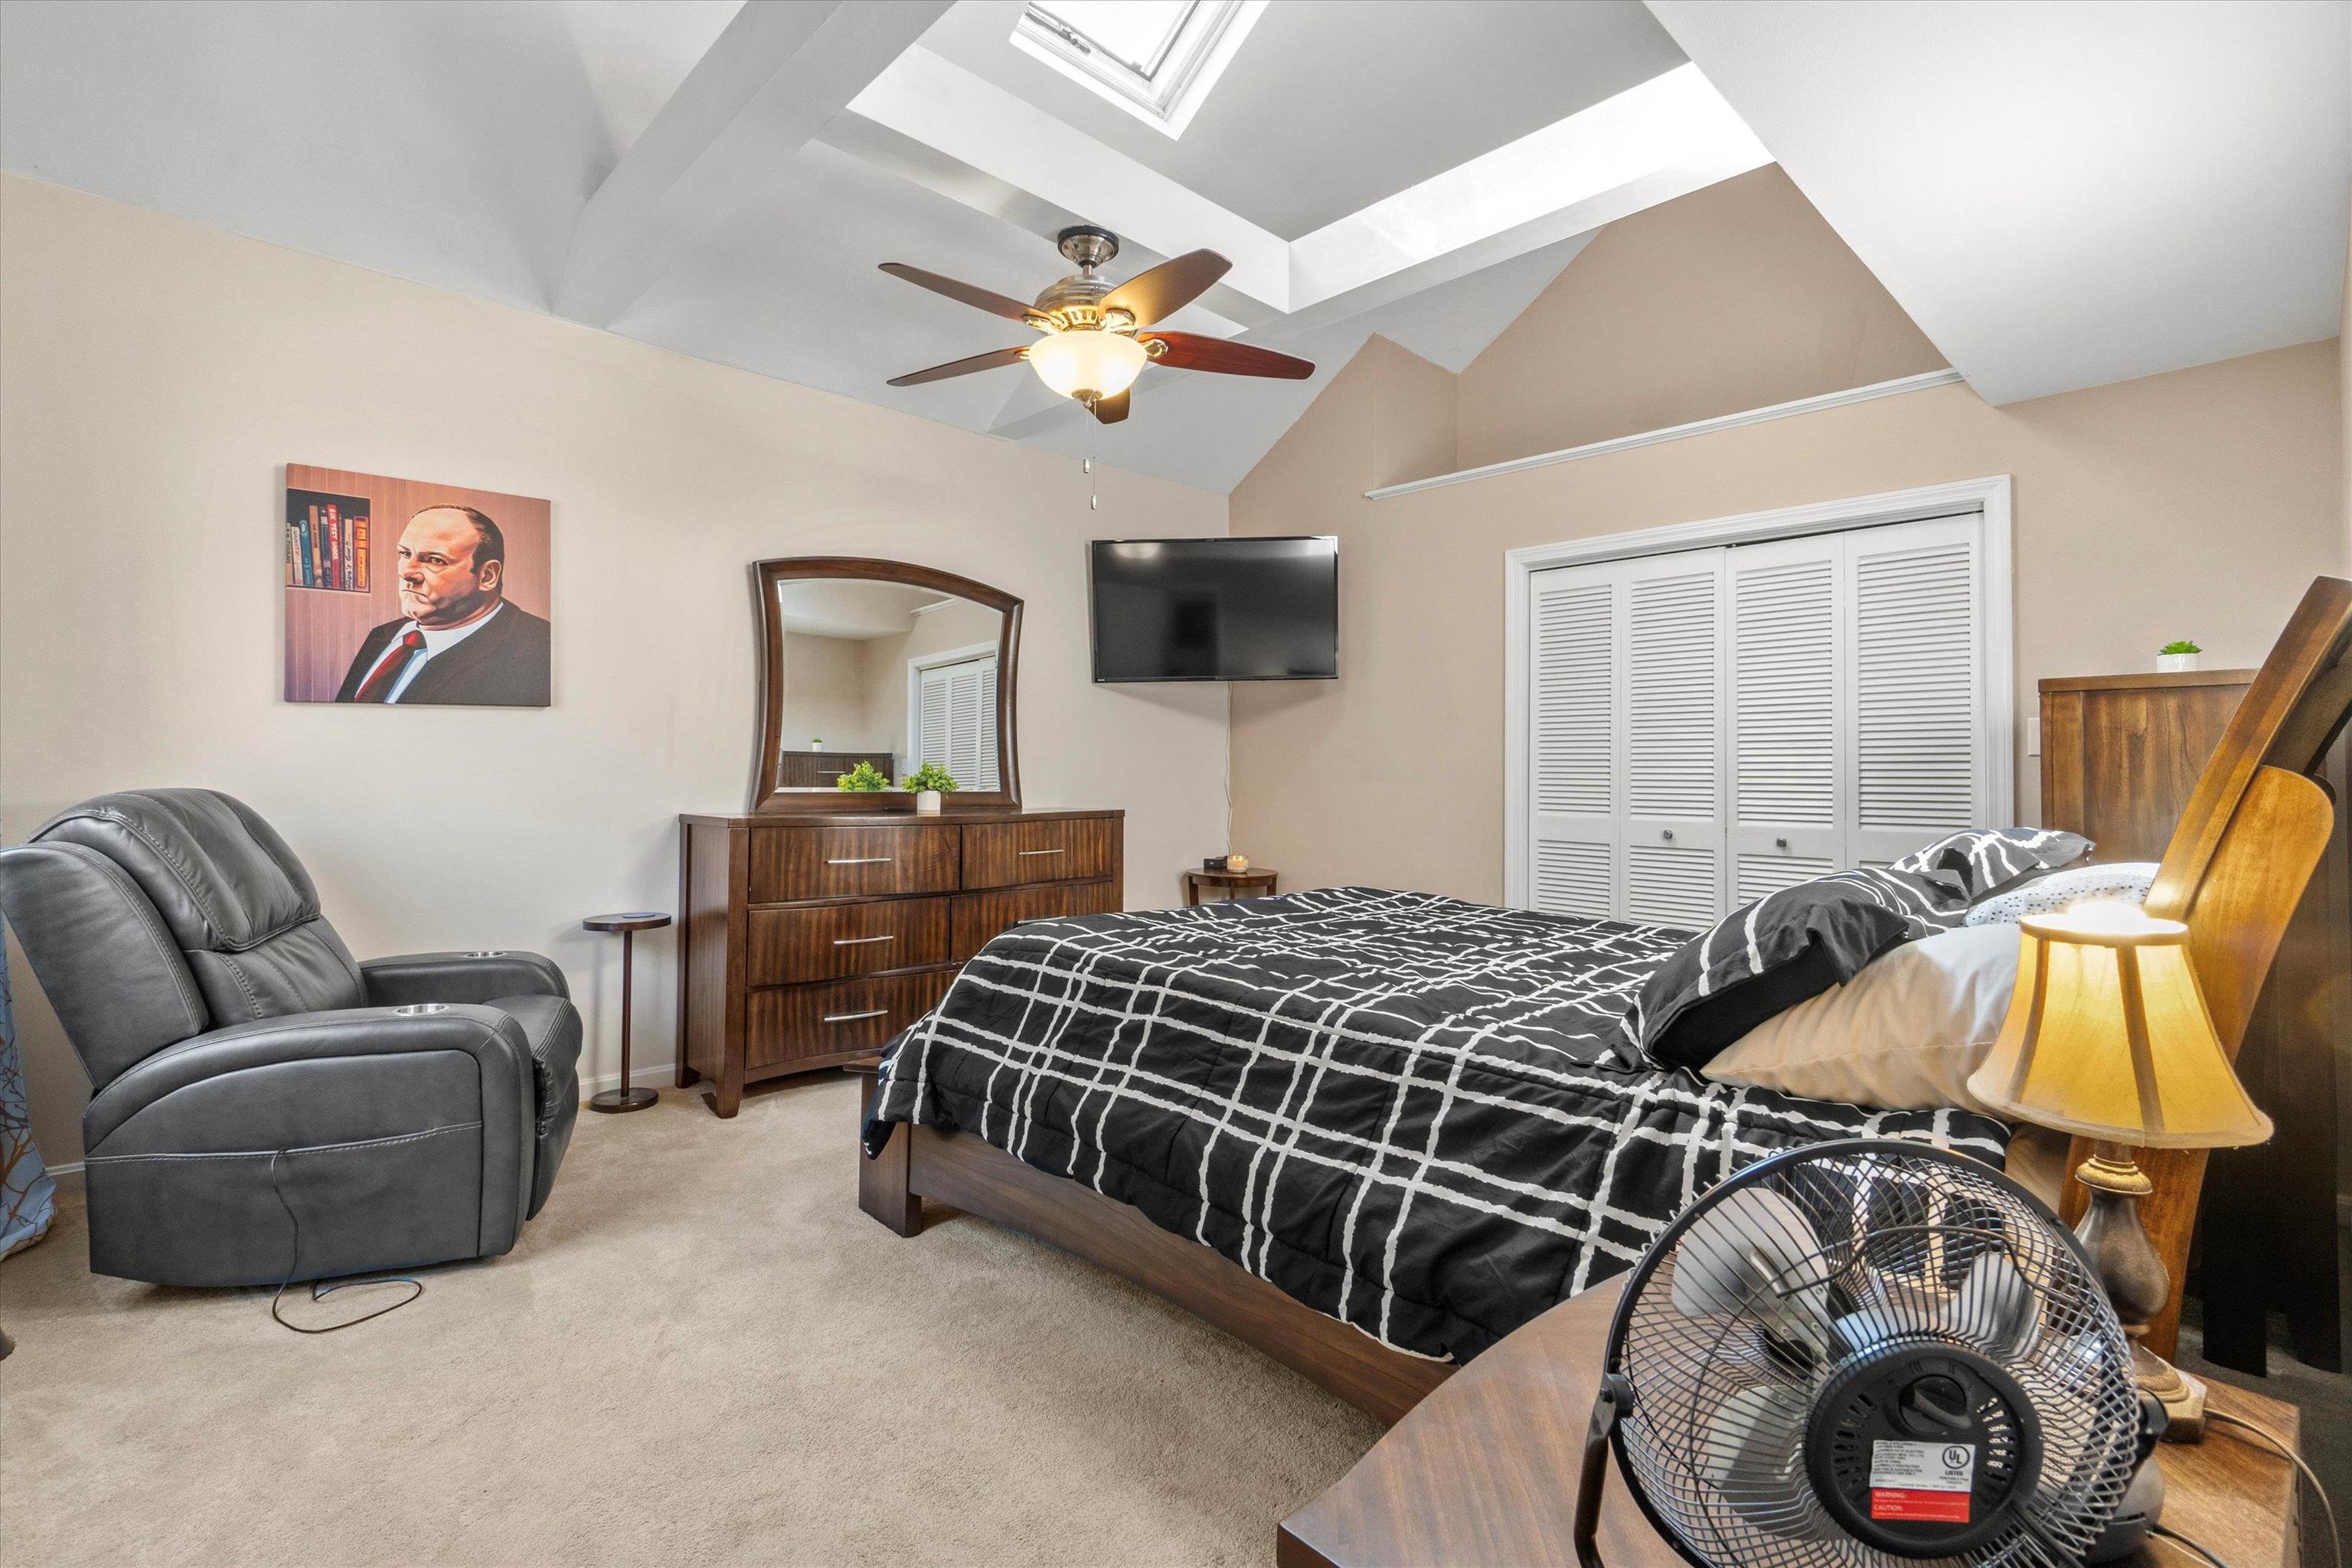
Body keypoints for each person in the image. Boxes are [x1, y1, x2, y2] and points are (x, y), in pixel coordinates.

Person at [335, 505, 550, 705]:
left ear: (487, 575)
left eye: (435, 560)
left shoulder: (537, 648)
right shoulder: (385, 635)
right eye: (405, 554)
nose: (407, 572)